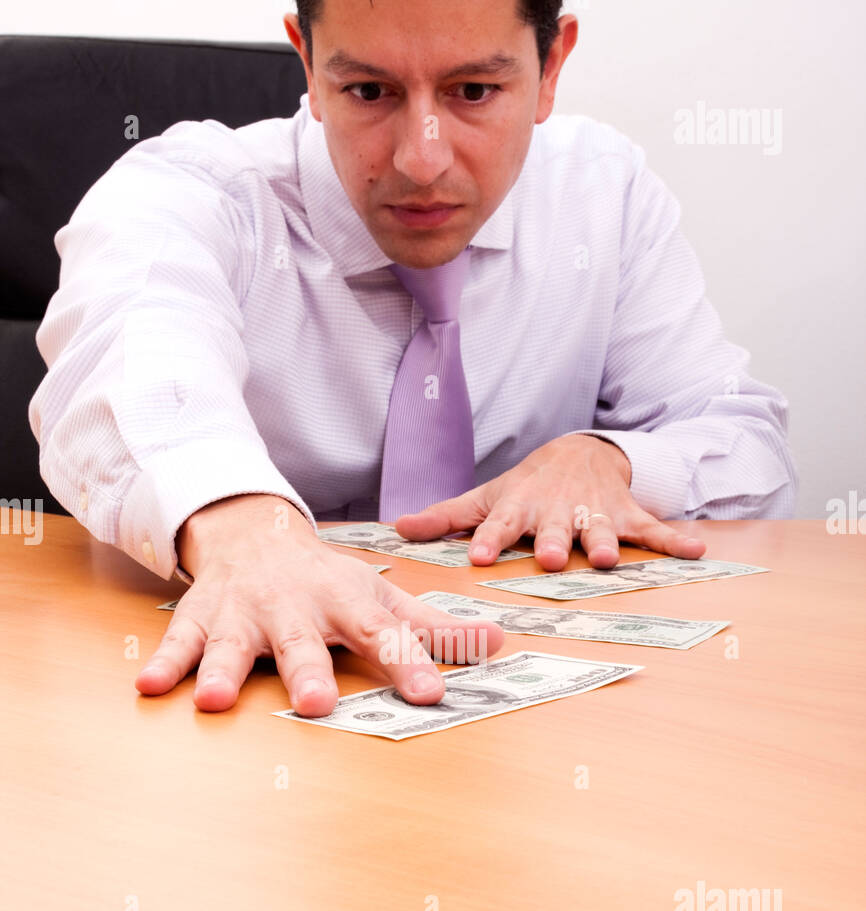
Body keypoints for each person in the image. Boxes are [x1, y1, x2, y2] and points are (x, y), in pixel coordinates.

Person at [28, 1, 796, 716]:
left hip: (535, 716)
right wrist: (239, 529)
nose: (422, 161)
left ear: (551, 65)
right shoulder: (193, 195)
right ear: (308, 64)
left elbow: (747, 448)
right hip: (253, 705)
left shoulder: (605, 197)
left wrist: (614, 460)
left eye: (472, 90)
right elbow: (129, 367)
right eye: (368, 90)